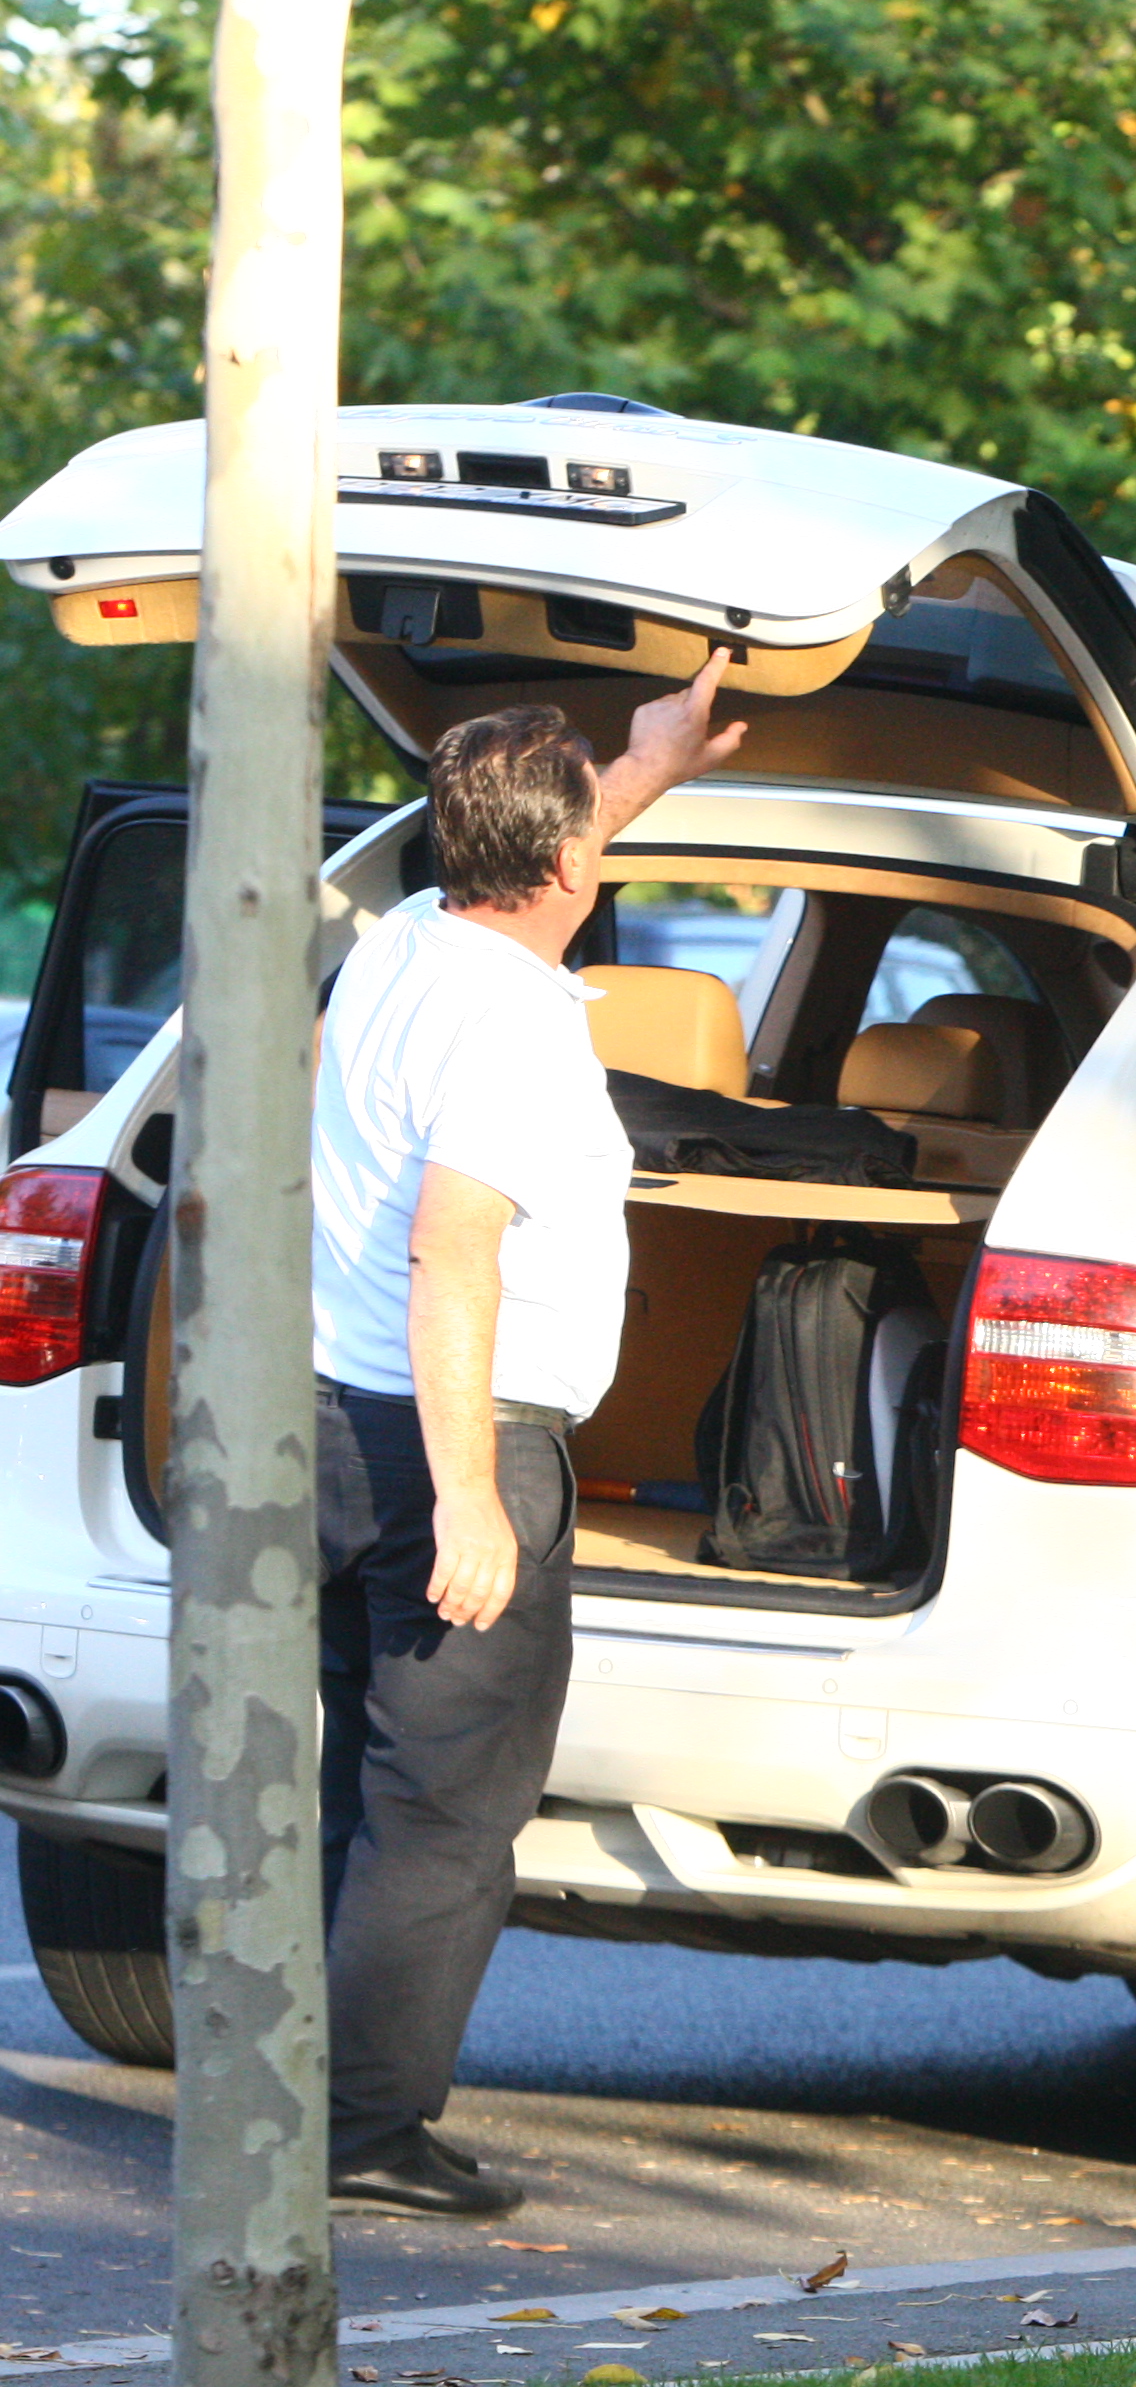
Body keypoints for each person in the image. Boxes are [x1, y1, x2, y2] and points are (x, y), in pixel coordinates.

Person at [314, 664, 744, 2218]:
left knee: (361, 1795)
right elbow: (457, 1252)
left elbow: (537, 859)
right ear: (568, 867)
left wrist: (647, 767)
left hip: (334, 1427)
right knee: (444, 1815)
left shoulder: (405, 944)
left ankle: (306, 2105)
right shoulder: (512, 1031)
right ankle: (361, 2134)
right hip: (452, 1432)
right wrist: (472, 1499)